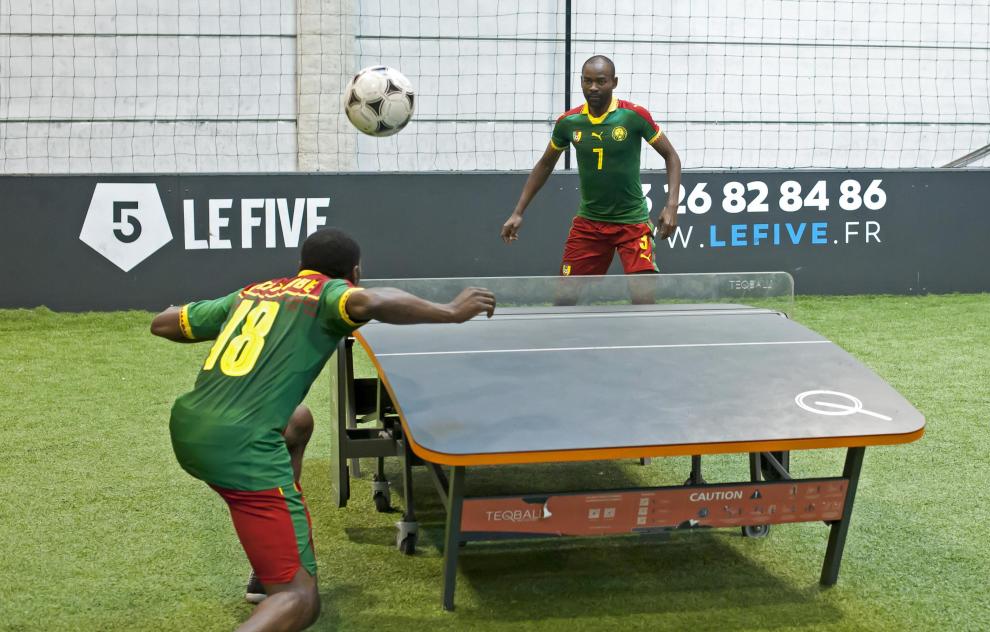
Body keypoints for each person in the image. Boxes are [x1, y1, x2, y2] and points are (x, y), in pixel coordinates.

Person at [150, 228, 495, 632]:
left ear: (301, 265)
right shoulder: (331, 294)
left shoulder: (253, 293)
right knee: (300, 601)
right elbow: (371, 301)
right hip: (242, 448)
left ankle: (267, 566)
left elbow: (163, 323)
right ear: (355, 272)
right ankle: (281, 577)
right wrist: (450, 311)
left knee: (298, 422)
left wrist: (194, 311)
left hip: (190, 427)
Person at [501, 55, 683, 282]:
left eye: (601, 81)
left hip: (633, 222)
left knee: (643, 291)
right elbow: (545, 164)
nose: (593, 87)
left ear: (614, 82)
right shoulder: (569, 122)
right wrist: (518, 212)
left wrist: (671, 206)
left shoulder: (633, 116)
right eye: (587, 81)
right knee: (566, 293)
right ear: (581, 82)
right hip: (590, 224)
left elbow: (671, 156)